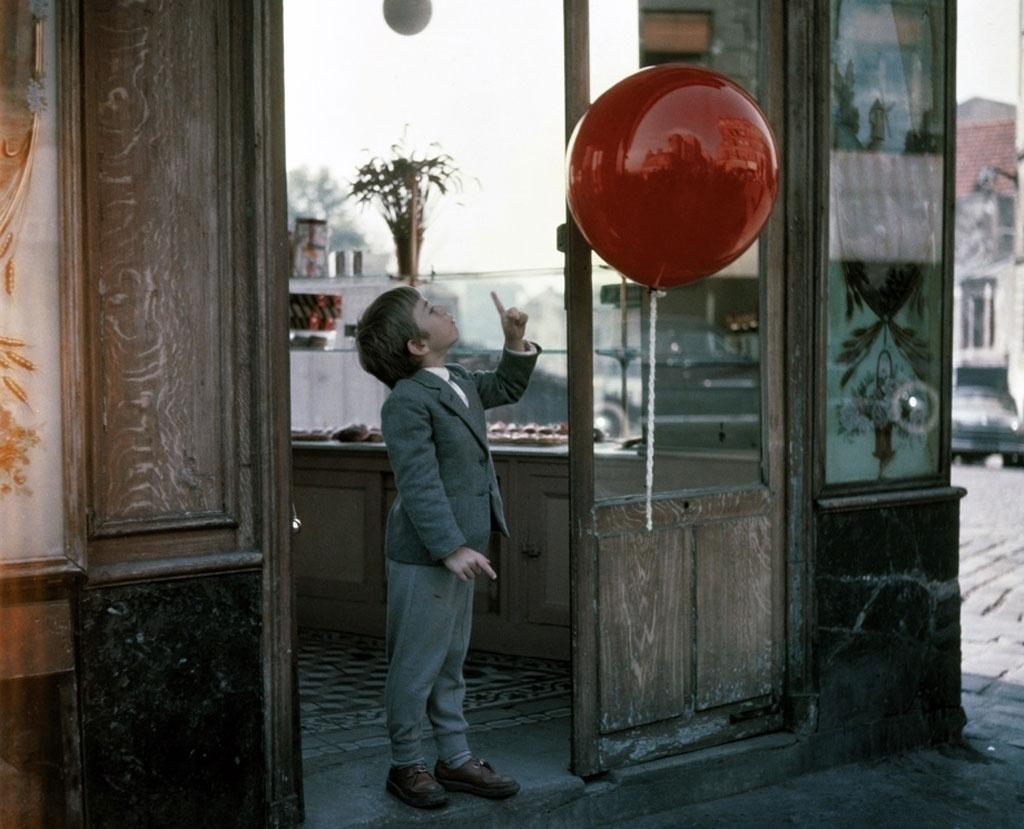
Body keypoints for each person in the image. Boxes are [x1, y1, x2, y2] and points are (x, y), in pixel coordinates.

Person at [355, 285, 540, 809]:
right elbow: (419, 484)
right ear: (417, 344)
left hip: (462, 552)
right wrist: (450, 547)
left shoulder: (455, 380)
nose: (443, 310)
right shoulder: (408, 402)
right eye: (429, 310)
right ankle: (406, 764)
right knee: (416, 664)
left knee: (450, 661)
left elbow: (505, 384)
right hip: (429, 554)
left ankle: (454, 758)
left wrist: (515, 341)